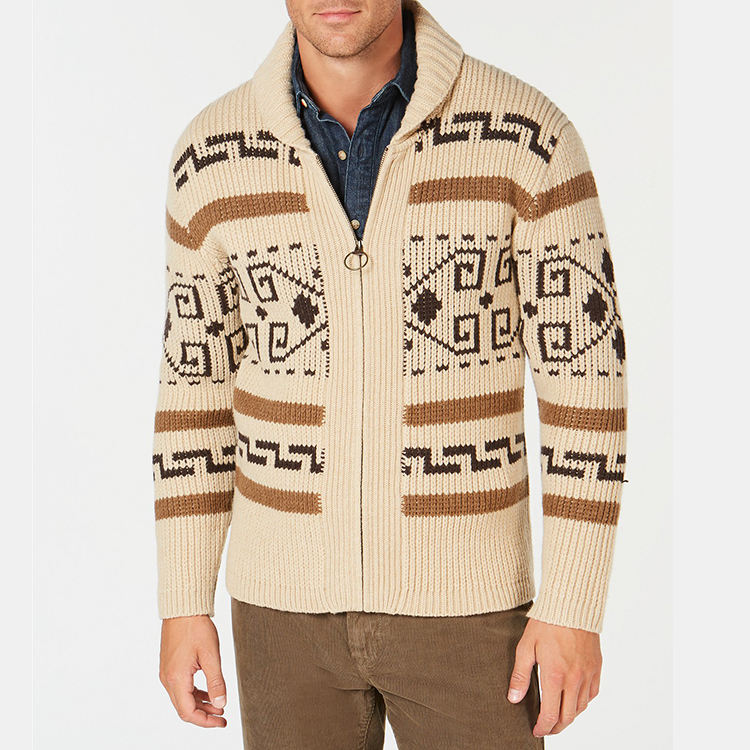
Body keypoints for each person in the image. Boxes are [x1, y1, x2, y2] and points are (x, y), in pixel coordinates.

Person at [152, 1, 628, 747]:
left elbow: (587, 381)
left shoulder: (527, 138)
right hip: (280, 616)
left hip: (471, 612)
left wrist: (572, 604)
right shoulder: (211, 156)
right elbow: (194, 389)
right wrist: (183, 600)